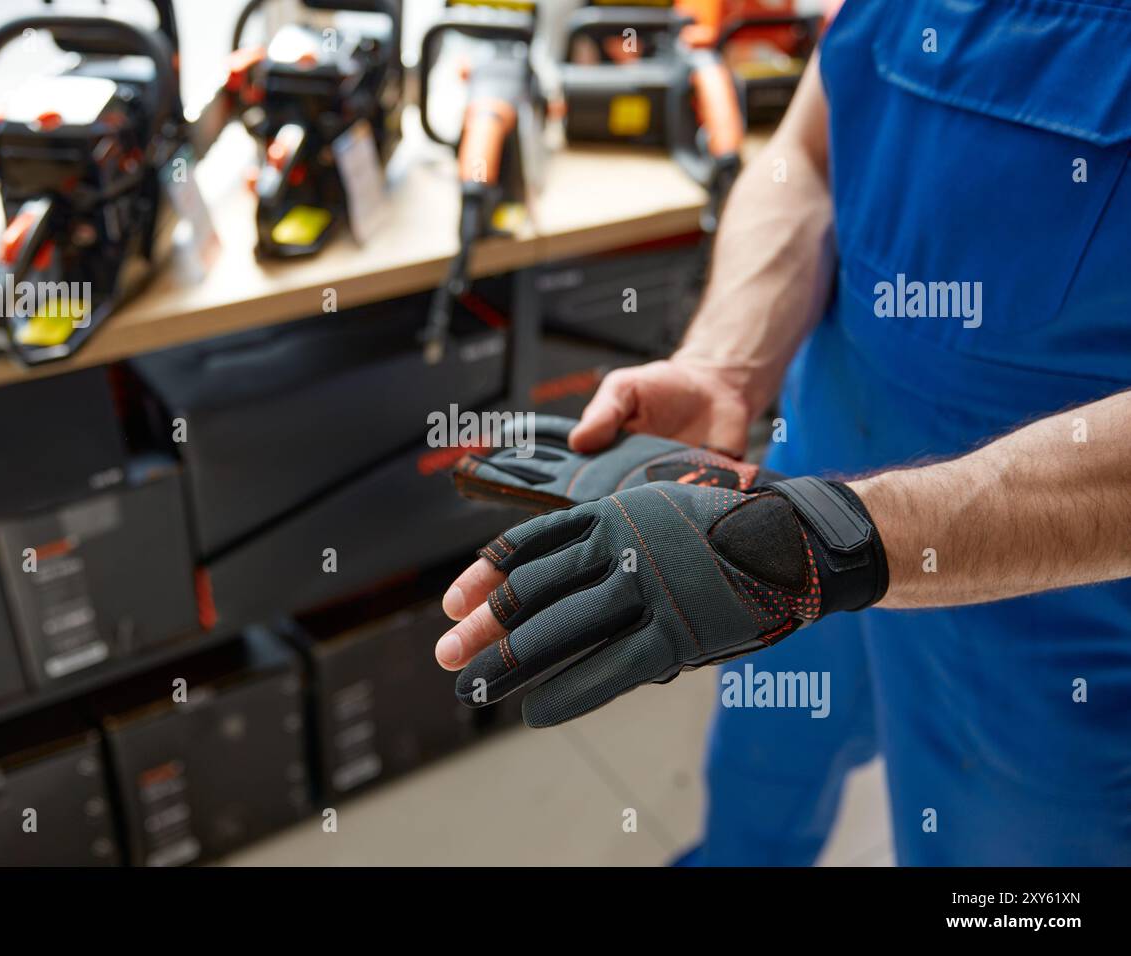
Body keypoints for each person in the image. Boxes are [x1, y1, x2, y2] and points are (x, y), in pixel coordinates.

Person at [433, 0, 1131, 866]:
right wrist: (725, 367)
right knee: (764, 771)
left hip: (1048, 587)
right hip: (799, 493)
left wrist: (840, 539)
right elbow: (804, 158)